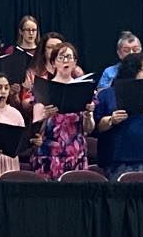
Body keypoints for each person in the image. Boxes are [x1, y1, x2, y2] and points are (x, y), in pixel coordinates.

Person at [30, 42, 95, 179]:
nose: (66, 61)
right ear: (53, 63)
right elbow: (35, 130)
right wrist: (45, 116)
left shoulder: (83, 89)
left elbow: (88, 129)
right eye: (61, 57)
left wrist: (88, 114)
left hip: (76, 153)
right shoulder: (43, 89)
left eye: (69, 57)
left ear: (75, 62)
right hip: (48, 154)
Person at [0, 73, 40, 179]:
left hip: (10, 162)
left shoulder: (16, 114)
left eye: (6, 88)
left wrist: (33, 143)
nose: (3, 91)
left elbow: (22, 142)